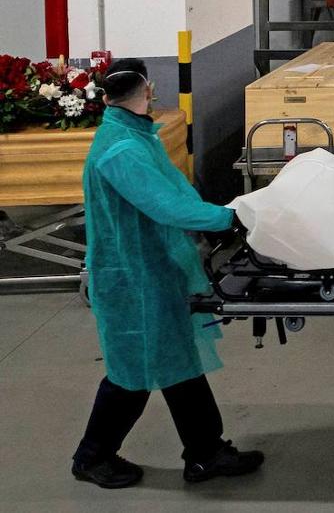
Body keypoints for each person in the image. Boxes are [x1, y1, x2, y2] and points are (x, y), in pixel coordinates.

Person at [71, 58, 264, 488]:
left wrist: (224, 215)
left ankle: (205, 452)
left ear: (106, 97)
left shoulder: (135, 135)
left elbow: (174, 195)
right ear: (150, 90)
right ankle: (91, 457)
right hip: (133, 279)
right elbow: (165, 205)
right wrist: (229, 219)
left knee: (178, 365)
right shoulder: (122, 150)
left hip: (156, 271)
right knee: (131, 375)